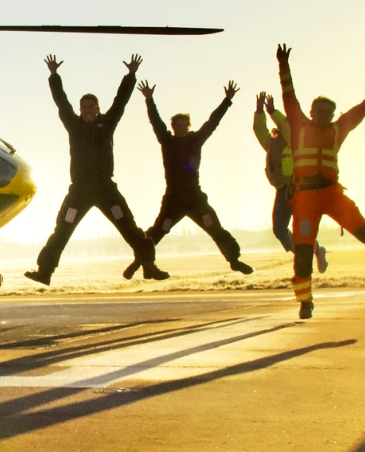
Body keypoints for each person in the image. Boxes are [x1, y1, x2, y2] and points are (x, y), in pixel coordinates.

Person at [277, 44, 365, 319]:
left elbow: (363, 109)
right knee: (303, 253)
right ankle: (305, 302)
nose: (324, 116)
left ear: (332, 114)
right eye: (320, 111)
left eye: (329, 112)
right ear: (312, 111)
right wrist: (283, 64)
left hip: (332, 195)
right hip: (304, 198)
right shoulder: (298, 124)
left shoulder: (339, 129)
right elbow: (288, 95)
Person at [26, 54, 167, 283]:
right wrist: (54, 75)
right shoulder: (73, 125)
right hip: (79, 191)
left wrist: (130, 75)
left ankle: (149, 265)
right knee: (63, 229)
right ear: (80, 110)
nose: (89, 109)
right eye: (84, 107)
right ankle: (45, 272)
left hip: (105, 190)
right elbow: (61, 102)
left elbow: (120, 102)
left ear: (98, 108)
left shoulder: (107, 124)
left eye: (92, 106)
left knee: (129, 228)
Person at [125, 79, 253, 277]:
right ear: (173, 127)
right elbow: (156, 122)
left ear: (189, 126)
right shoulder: (167, 141)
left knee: (215, 228)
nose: (182, 128)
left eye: (185, 125)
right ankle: (140, 262)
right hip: (173, 200)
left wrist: (227, 100)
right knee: (158, 232)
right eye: (178, 125)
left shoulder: (196, 140)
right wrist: (149, 100)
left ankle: (234, 261)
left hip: (195, 198)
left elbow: (213, 123)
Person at [253, 92, 327, 272]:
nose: (278, 132)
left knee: (302, 228)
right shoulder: (272, 145)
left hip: (300, 188)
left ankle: (313, 251)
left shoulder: (294, 141)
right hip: (282, 189)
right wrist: (259, 111)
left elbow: (286, 125)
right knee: (279, 230)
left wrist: (272, 112)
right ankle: (310, 252)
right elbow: (260, 130)